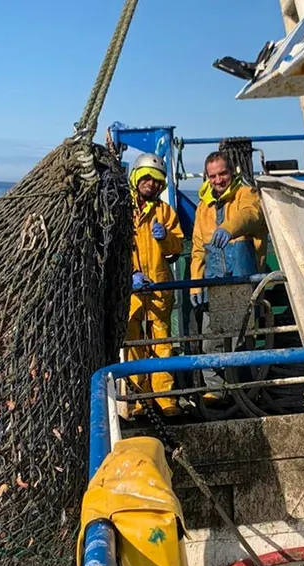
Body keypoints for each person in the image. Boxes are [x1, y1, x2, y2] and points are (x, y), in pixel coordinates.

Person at [189, 151, 268, 396]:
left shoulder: (246, 194)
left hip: (242, 280)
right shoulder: (203, 207)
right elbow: (198, 249)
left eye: (222, 173)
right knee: (210, 339)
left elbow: (252, 215)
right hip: (213, 281)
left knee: (241, 339)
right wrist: (195, 284)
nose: (218, 180)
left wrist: (228, 228)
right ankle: (216, 392)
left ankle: (245, 392)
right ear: (207, 177)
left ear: (232, 172)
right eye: (212, 176)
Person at [126, 152, 185, 417]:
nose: (151, 183)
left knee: (162, 343)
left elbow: (177, 249)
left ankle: (165, 399)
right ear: (137, 177)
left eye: (156, 180)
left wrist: (166, 238)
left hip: (160, 288)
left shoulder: (165, 211)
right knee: (134, 345)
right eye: (146, 177)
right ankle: (141, 401)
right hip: (131, 293)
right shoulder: (121, 209)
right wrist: (130, 276)